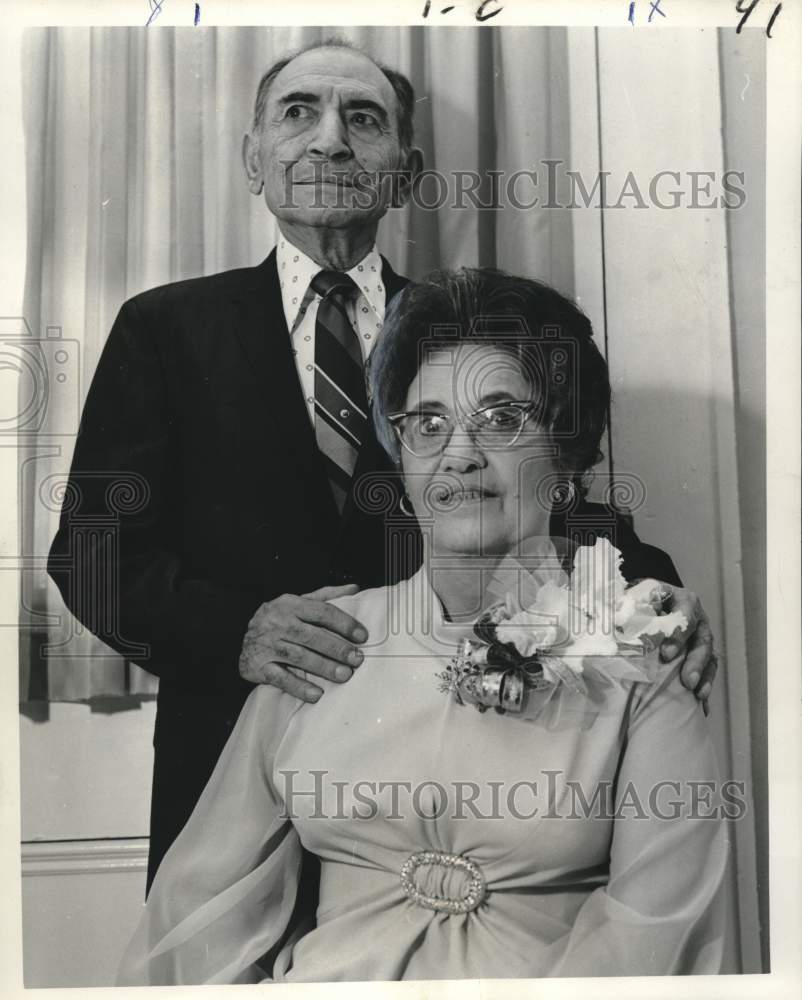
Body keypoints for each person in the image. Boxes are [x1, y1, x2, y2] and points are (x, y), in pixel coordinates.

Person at [46, 39, 716, 896]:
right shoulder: (164, 329)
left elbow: (567, 509)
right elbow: (93, 554)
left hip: (458, 764)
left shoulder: (460, 328)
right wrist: (241, 632)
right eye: (299, 113)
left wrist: (653, 601)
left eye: (363, 120)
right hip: (234, 755)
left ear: (405, 169)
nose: (329, 140)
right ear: (256, 159)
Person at [117, 268, 727, 984]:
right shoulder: (320, 642)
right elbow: (195, 924)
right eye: (428, 424)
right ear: (401, 460)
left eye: (503, 418)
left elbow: (652, 936)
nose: (458, 453)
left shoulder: (645, 659)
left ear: (565, 461)